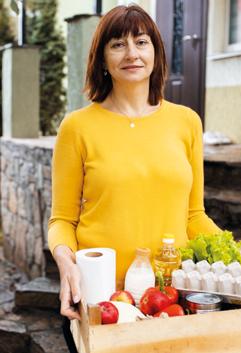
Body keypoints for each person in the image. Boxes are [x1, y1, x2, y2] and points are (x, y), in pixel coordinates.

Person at [48, 4, 222, 351]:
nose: (132, 54)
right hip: (103, 298)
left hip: (169, 300)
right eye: (118, 44)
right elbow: (62, 220)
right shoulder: (77, 127)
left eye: (141, 42)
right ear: (102, 59)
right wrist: (65, 262)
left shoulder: (186, 122)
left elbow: (194, 215)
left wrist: (239, 257)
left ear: (156, 53)